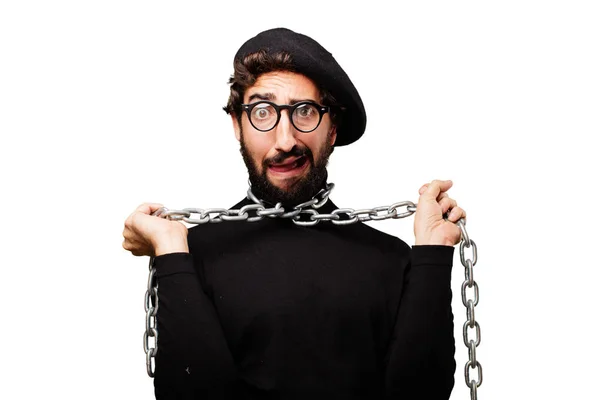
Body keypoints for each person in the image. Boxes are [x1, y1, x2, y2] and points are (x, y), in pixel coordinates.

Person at [123, 27, 466, 400]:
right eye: (262, 112)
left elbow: (421, 394)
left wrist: (433, 254)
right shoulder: (193, 256)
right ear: (237, 125)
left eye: (305, 112)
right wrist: (170, 252)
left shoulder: (391, 260)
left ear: (332, 129)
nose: (285, 140)